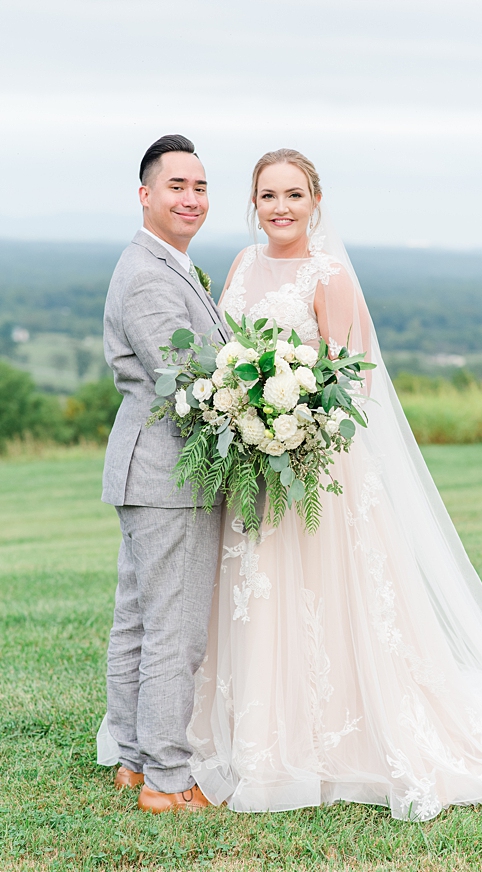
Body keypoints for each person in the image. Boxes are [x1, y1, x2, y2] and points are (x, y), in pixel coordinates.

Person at [185, 149, 482, 819]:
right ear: (252, 204)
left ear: (315, 201)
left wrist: (296, 417)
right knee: (255, 591)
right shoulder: (242, 265)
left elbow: (354, 376)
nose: (280, 206)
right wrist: (239, 407)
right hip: (250, 463)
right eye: (267, 195)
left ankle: (330, 731)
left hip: (315, 464)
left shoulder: (329, 275)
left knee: (318, 593)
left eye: (293, 194)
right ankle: (254, 727)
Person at [100, 134, 230, 812]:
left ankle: (130, 761)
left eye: (200, 187)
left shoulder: (167, 263)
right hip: (167, 477)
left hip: (149, 474)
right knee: (174, 631)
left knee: (142, 623)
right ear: (146, 195)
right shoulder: (150, 272)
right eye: (176, 186)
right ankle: (169, 779)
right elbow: (187, 387)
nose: (190, 198)